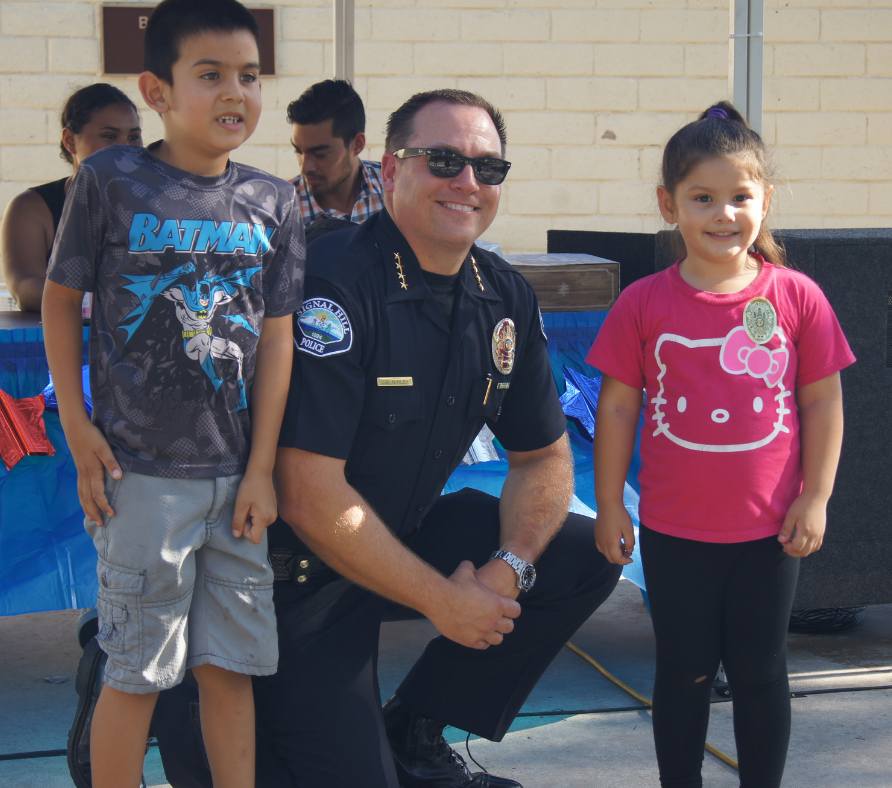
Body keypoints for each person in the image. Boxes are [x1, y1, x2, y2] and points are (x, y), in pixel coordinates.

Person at [149, 88, 621, 788]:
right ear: (392, 170)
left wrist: (506, 570)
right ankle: (155, 677)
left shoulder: (503, 294)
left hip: (398, 533)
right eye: (443, 162)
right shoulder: (335, 285)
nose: (467, 183)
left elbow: (546, 460)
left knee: (580, 553)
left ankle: (415, 725)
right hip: (290, 578)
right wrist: (443, 600)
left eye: (487, 169)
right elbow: (309, 495)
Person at [42, 1, 306, 787]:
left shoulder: (274, 201)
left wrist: (262, 468)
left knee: (231, 669)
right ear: (157, 90)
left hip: (236, 483)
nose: (236, 93)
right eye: (211, 75)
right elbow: (61, 300)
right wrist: (75, 420)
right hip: (141, 478)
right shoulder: (110, 180)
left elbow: (278, 337)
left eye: (250, 76)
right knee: (139, 672)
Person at [587, 101, 856, 788]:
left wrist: (816, 497)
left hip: (771, 532)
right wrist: (612, 505)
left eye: (740, 196)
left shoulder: (797, 296)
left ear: (765, 201)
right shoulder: (643, 303)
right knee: (684, 670)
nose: (723, 213)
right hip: (675, 533)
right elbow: (616, 408)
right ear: (667, 205)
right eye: (702, 197)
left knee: (762, 670)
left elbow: (823, 398)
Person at [1, 83, 142, 311]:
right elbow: (25, 289)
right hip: (64, 341)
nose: (125, 148)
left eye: (134, 137)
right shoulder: (31, 207)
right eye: (109, 136)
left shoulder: (158, 204)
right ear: (70, 140)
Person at [287, 78, 383, 233]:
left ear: (357, 144)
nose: (305, 167)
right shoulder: (281, 212)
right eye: (298, 151)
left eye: (320, 154)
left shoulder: (395, 188)